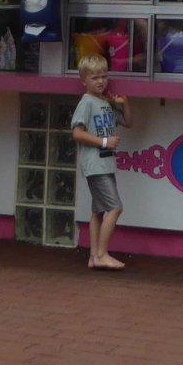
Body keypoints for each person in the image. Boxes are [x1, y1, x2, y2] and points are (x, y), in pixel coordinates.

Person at [70, 56, 132, 269]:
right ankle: (101, 254)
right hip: (95, 164)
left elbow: (127, 122)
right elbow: (77, 133)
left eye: (104, 76)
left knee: (98, 210)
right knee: (115, 207)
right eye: (95, 77)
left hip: (105, 164)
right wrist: (104, 141)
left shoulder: (105, 102)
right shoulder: (86, 102)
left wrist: (124, 105)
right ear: (84, 81)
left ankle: (93, 256)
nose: (101, 81)